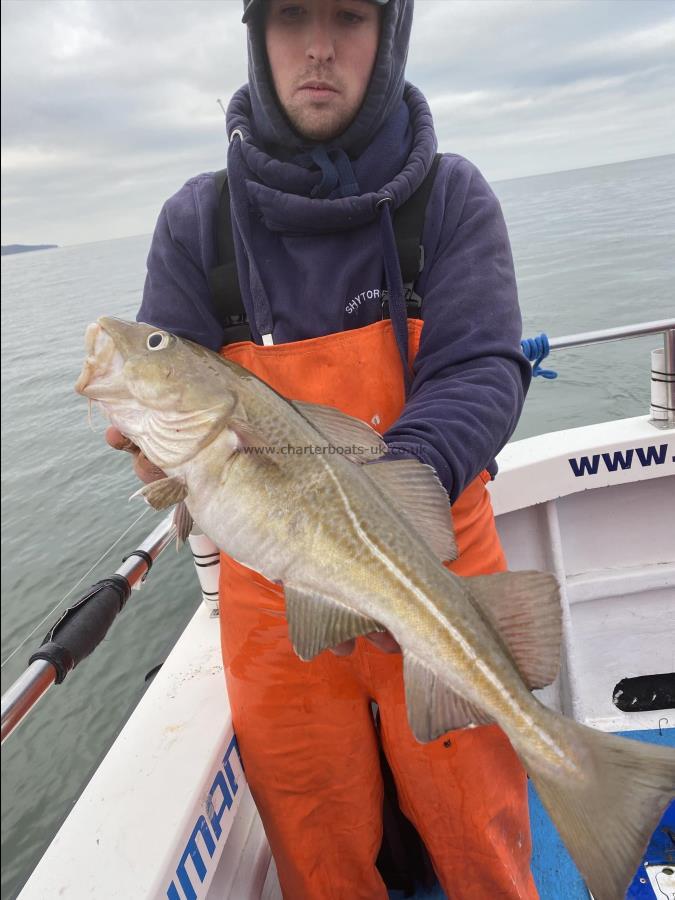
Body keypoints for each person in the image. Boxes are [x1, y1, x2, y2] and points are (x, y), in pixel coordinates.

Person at [107, 0, 536, 896]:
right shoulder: (197, 224)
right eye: (291, 15)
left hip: (436, 565)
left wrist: (380, 514)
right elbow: (177, 421)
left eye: (347, 15)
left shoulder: (450, 198)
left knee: (480, 840)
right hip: (274, 600)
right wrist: (157, 458)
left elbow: (479, 369)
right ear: (257, 37)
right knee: (318, 849)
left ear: (388, 38)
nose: (316, 47)